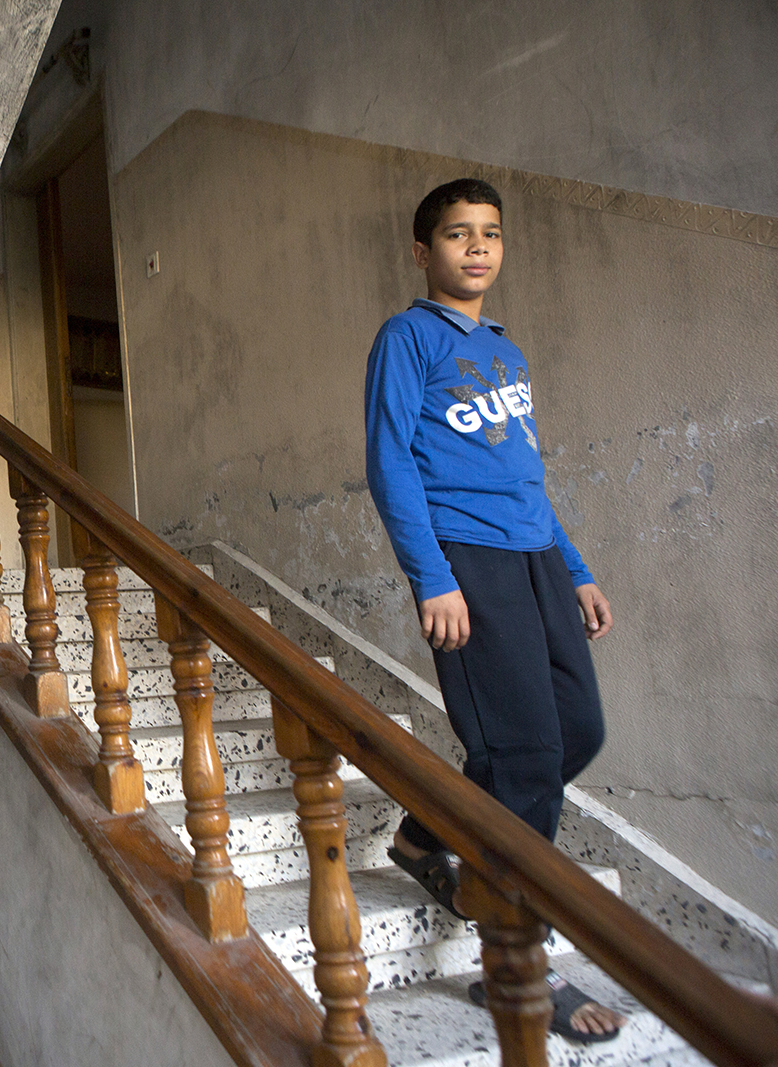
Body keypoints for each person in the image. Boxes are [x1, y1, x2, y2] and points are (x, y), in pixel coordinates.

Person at [363, 178, 626, 1043]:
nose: (476, 247)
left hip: (537, 559)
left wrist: (575, 569)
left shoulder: (507, 352)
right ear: (422, 251)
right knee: (523, 751)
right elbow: (392, 462)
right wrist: (432, 575)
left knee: (575, 733)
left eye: (490, 234)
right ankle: (516, 959)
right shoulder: (407, 337)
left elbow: (528, 478)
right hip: (469, 563)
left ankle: (418, 836)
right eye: (456, 234)